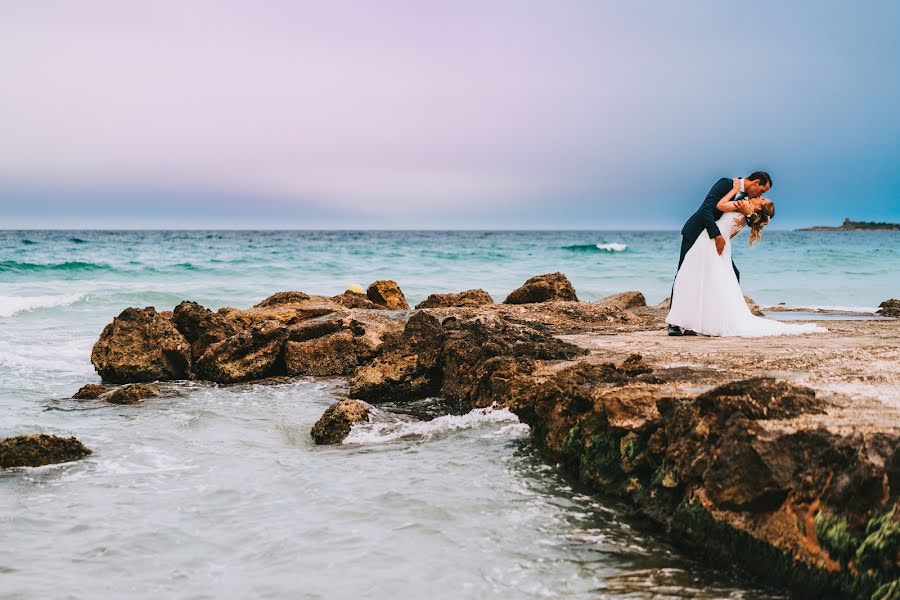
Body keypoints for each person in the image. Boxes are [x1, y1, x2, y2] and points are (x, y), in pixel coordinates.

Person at [665, 176, 826, 337]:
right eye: (762, 191)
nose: (760, 195)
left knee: (726, 275)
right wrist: (717, 235)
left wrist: (737, 225)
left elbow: (744, 220)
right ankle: (675, 323)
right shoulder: (726, 184)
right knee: (685, 275)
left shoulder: (746, 201)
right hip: (697, 233)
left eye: (763, 195)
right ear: (756, 182)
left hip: (716, 241)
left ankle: (709, 319)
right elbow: (707, 208)